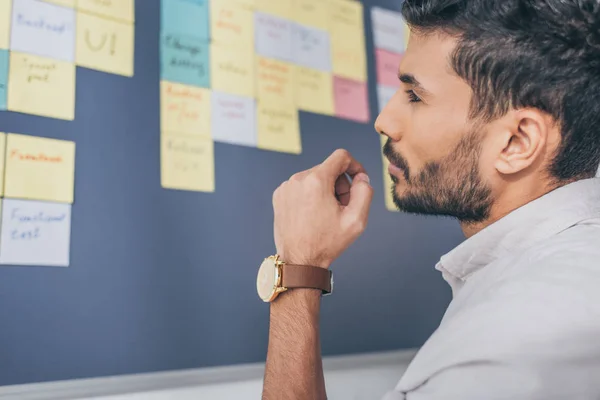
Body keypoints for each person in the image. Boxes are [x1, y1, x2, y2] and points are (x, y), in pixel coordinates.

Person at [258, 0, 600, 399]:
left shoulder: (505, 348)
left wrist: (298, 267)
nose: (384, 121)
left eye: (415, 96)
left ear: (517, 142)